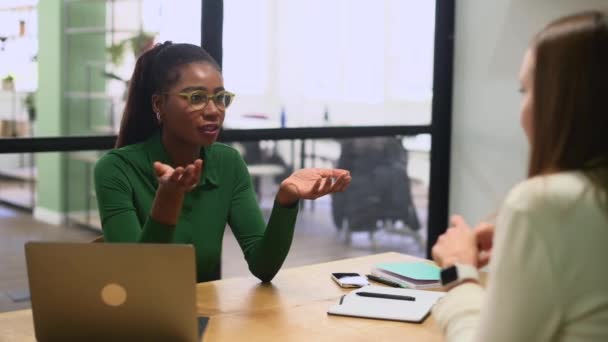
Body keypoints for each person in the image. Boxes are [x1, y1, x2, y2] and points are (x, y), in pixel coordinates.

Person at [94, 42, 351, 283]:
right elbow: (137, 279)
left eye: (220, 98)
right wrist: (168, 199)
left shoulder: (227, 162)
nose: (213, 110)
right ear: (159, 104)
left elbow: (263, 266)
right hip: (142, 322)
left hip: (210, 318)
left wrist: (286, 200)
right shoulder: (116, 169)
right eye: (196, 98)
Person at [431, 11, 608, 341]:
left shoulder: (545, 203)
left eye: (525, 90)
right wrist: (531, 246)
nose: (522, 109)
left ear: (564, 102)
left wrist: (458, 270)